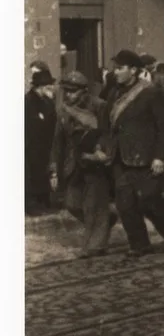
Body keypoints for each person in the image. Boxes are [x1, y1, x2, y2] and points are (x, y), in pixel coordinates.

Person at [106, 49, 164, 258]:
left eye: (119, 68)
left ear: (133, 70)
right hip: (120, 157)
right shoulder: (115, 93)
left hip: (145, 157)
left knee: (149, 199)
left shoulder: (150, 93)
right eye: (115, 68)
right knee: (125, 204)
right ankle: (139, 244)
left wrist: (159, 156)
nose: (115, 72)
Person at [49, 71, 116, 258]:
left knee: (93, 205)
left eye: (73, 91)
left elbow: (107, 131)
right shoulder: (63, 110)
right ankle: (106, 220)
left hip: (96, 162)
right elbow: (58, 141)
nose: (69, 95)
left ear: (83, 91)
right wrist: (54, 170)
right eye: (66, 91)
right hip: (74, 164)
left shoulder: (99, 106)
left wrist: (102, 151)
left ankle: (94, 246)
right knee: (72, 203)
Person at [25, 68, 57, 215]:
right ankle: (32, 204)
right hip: (32, 146)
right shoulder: (28, 102)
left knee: (41, 172)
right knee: (32, 173)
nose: (51, 88)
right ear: (40, 87)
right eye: (48, 85)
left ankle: (43, 200)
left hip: (43, 145)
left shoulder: (47, 101)